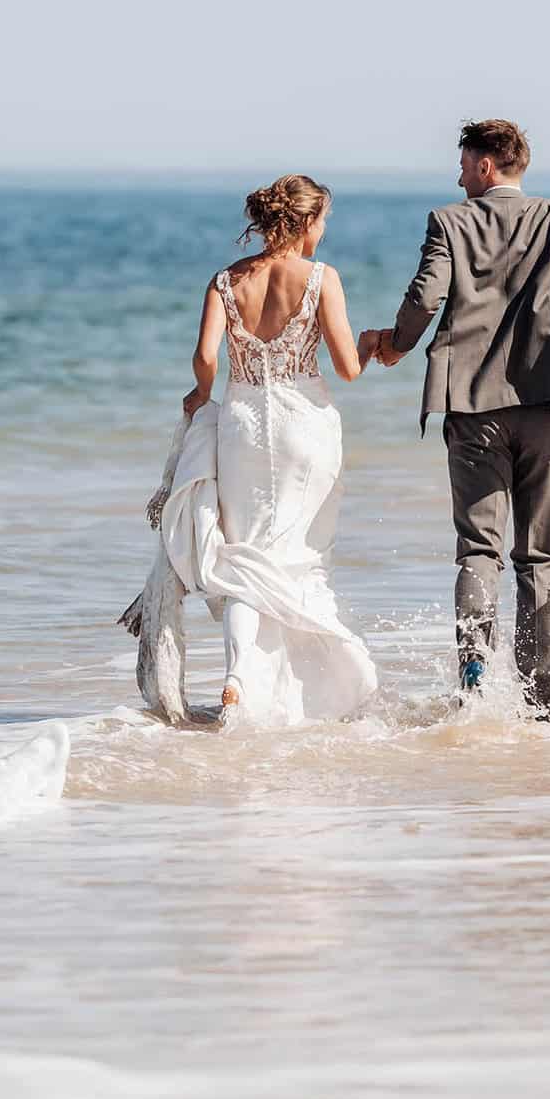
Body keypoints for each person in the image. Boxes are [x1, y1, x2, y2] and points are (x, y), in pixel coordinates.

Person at [370, 119, 550, 723]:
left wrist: (395, 346)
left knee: (478, 551)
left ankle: (472, 687)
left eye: (464, 163)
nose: (459, 174)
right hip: (545, 404)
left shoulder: (449, 222)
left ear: (487, 165)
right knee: (537, 558)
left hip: (469, 407)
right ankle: (543, 703)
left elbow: (425, 296)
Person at [172, 175, 380, 723]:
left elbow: (204, 356)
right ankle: (336, 691)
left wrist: (201, 394)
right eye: (324, 220)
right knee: (302, 559)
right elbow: (348, 368)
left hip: (241, 421)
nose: (325, 230)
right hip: (303, 425)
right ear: (306, 221)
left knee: (247, 558)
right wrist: (368, 346)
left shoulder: (224, 281)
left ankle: (240, 677)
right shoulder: (321, 278)